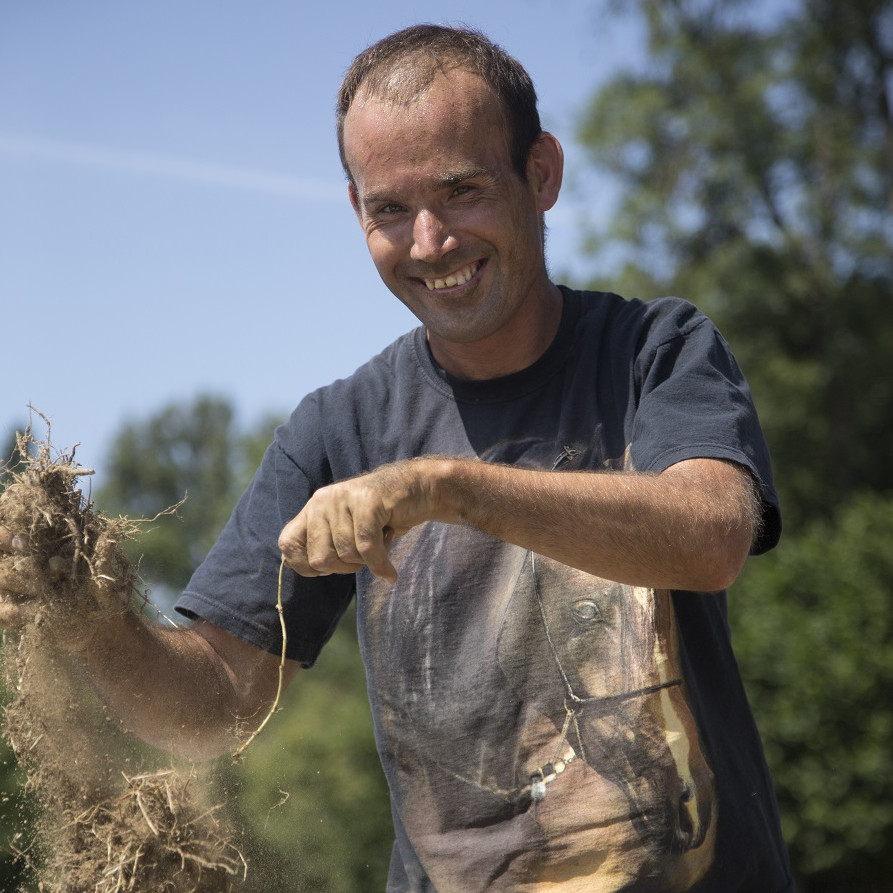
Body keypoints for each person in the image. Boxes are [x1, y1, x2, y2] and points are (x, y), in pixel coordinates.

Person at [0, 23, 794, 893]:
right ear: (355, 211)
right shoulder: (337, 429)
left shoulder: (655, 351)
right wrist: (88, 618)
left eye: (460, 190)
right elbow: (215, 703)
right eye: (389, 208)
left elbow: (711, 535)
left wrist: (442, 487)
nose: (428, 242)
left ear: (541, 174)